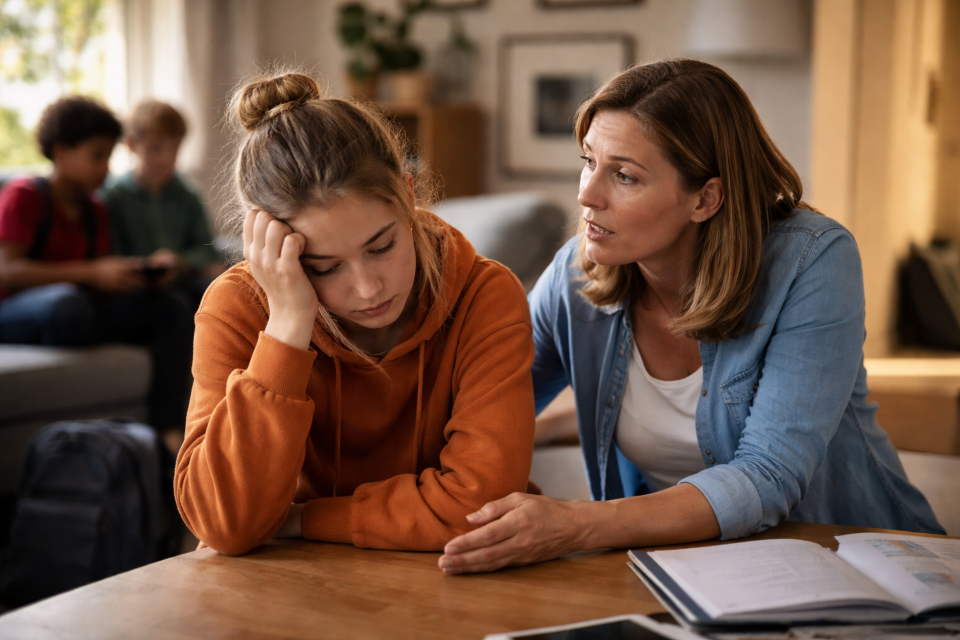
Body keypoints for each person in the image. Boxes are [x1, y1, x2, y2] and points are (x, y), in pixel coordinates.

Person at [437, 59, 945, 575]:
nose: (586, 194)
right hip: (687, 572)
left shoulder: (813, 261)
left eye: (625, 176)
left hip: (856, 566)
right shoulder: (577, 270)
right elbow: (478, 402)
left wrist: (576, 523)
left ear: (706, 198)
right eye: (589, 161)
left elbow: (767, 476)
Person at [174, 72, 537, 556]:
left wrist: (302, 520)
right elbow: (224, 523)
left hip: (442, 585)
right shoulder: (237, 308)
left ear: (408, 195)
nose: (368, 288)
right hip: (288, 593)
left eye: (381, 246)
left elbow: (481, 506)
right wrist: (286, 326)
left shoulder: (485, 294)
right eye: (324, 268)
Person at [0, 96, 193, 437]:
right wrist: (90, 273)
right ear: (61, 152)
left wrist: (132, 274)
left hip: (80, 306)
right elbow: (8, 272)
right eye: (97, 156)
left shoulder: (95, 207)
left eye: (109, 156)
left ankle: (170, 434)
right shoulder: (25, 196)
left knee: (171, 308)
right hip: (20, 309)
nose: (105, 168)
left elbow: (100, 273)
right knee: (67, 305)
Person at [102, 99, 223, 310]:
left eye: (174, 148)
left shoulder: (188, 195)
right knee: (174, 305)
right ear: (132, 145)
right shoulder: (113, 196)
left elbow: (206, 249)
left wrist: (179, 262)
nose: (166, 158)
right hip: (136, 284)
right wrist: (147, 265)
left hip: (182, 279)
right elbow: (110, 253)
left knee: (222, 289)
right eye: (155, 148)